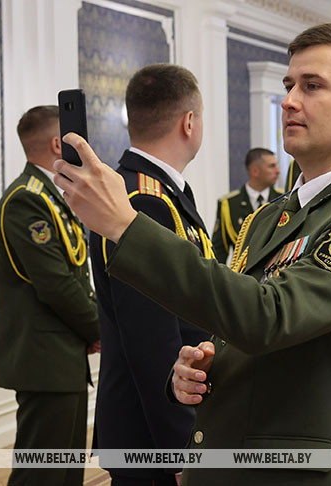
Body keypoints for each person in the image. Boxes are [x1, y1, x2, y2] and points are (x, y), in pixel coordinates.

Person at [55, 23, 331, 486]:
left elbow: (267, 318)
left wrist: (125, 226)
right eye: (289, 85)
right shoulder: (271, 217)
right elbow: (238, 326)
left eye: (312, 86)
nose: (289, 100)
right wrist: (197, 365)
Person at [89, 64, 212, 486]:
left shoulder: (158, 191)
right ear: (189, 122)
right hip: (152, 431)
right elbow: (151, 336)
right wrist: (179, 445)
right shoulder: (143, 200)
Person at [0, 106, 100, 486]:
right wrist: (97, 329)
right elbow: (55, 284)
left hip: (62, 353)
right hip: (44, 357)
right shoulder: (27, 199)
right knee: (41, 471)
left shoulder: (52, 196)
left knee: (67, 469)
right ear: (59, 143)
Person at [211, 148, 282, 263]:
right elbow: (219, 252)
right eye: (272, 166)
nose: (278, 171)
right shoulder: (229, 204)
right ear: (255, 171)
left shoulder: (284, 198)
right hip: (243, 276)